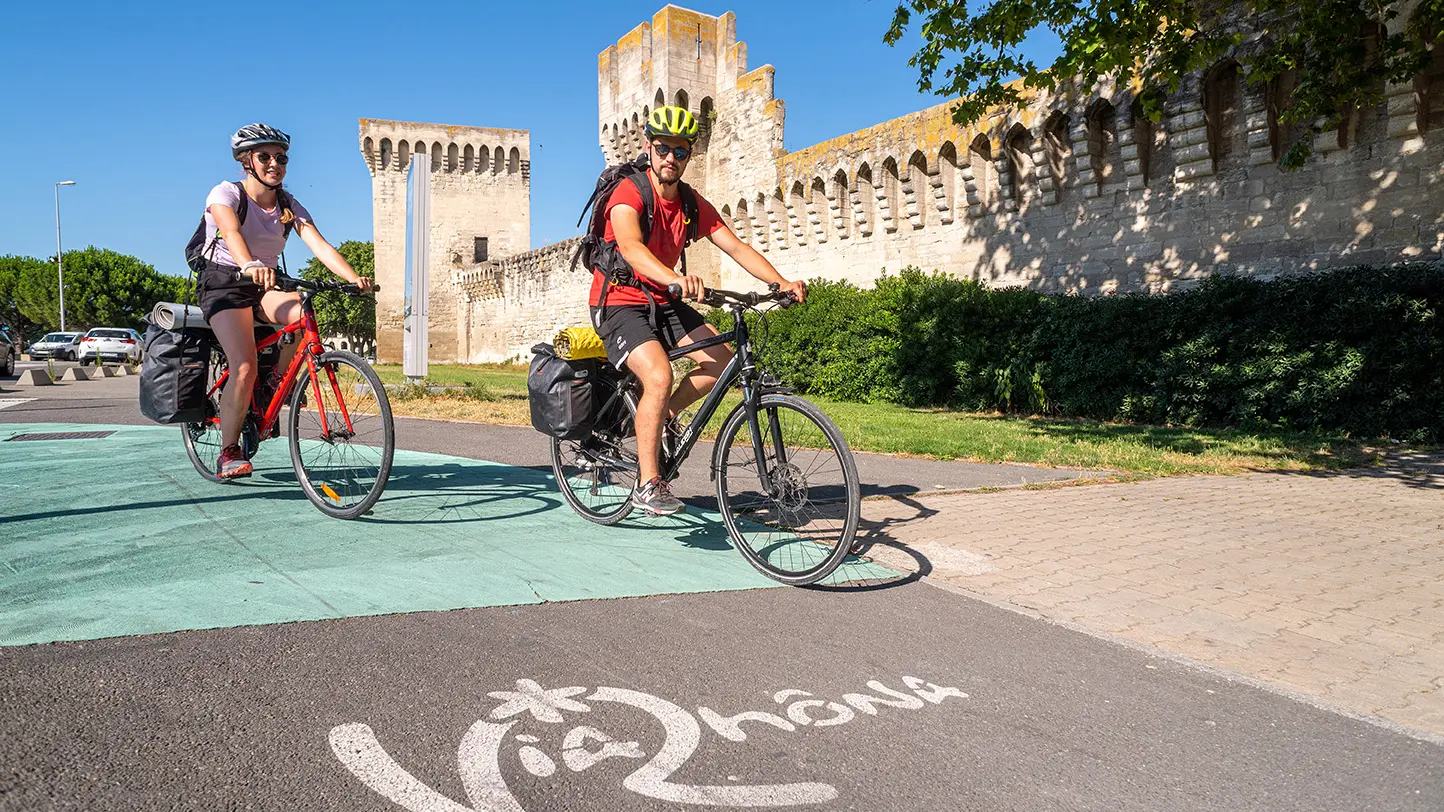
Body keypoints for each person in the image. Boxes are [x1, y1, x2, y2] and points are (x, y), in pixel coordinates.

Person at [590, 105, 808, 516]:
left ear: (690, 155)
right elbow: (632, 248)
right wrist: (673, 276)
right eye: (662, 148)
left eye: (681, 151)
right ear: (648, 148)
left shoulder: (691, 203)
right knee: (659, 374)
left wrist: (779, 282)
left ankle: (663, 413)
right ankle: (648, 483)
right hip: (619, 300)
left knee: (721, 363)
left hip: (665, 300)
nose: (671, 157)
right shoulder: (629, 193)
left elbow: (737, 246)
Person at [197, 123, 373, 479]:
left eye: (281, 157)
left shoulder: (288, 204)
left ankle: (276, 380)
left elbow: (318, 243)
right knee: (243, 364)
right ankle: (229, 451)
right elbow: (230, 232)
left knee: (301, 309)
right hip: (224, 283)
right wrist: (248, 264)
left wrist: (353, 277)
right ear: (247, 161)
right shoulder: (227, 193)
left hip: (265, 283)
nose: (274, 163)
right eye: (265, 157)